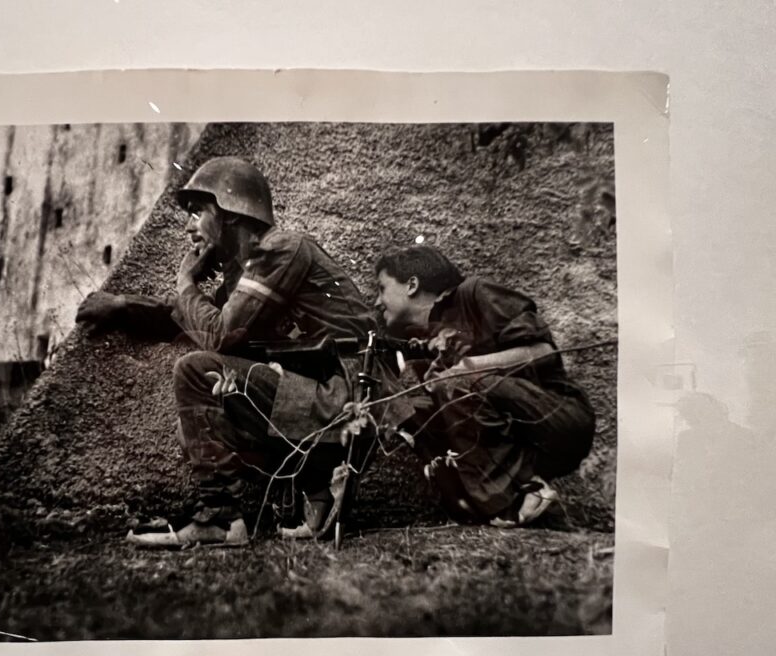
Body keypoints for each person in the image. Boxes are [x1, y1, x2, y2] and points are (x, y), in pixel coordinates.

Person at [76, 157, 377, 547]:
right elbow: (189, 316)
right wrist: (122, 306)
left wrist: (185, 280)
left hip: (351, 395)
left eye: (198, 212)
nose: (189, 227)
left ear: (232, 214)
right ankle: (316, 500)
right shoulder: (249, 273)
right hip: (326, 401)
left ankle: (221, 517)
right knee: (199, 425)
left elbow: (216, 335)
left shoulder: (281, 250)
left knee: (199, 372)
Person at [373, 244, 596, 527]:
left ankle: (519, 497)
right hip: (512, 436)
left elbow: (542, 352)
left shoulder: (474, 293)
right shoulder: (421, 339)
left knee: (456, 383)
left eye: (381, 289)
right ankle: (504, 505)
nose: (378, 302)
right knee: (404, 409)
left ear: (412, 285)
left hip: (557, 419)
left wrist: (462, 370)